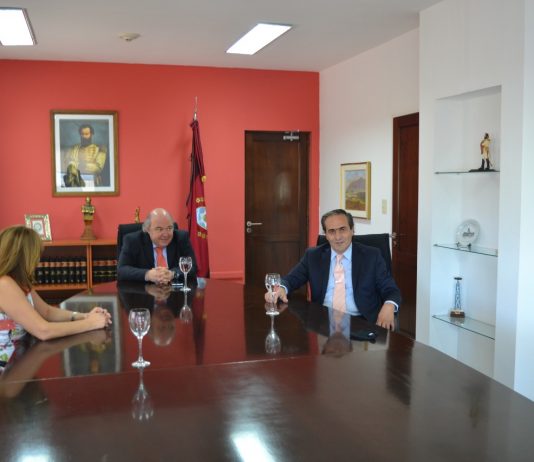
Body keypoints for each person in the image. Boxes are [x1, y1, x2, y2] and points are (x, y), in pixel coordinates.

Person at [265, 209, 401, 330]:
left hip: (362, 323)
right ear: (325, 234)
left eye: (342, 229)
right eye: (331, 231)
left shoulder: (372, 256)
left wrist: (389, 305)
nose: (338, 237)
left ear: (352, 230)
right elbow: (291, 279)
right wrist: (281, 288)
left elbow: (391, 290)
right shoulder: (313, 256)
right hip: (323, 322)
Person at [0, 226, 112, 343]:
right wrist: (90, 323)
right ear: (24, 256)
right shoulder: (4, 284)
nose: (38, 260)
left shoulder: (20, 281)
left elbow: (47, 312)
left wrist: (85, 316)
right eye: (36, 254)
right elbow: (43, 331)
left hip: (22, 348)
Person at [117, 208, 198, 285]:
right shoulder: (133, 241)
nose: (165, 234)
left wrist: (172, 274)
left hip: (174, 292)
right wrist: (148, 274)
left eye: (169, 228)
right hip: (143, 292)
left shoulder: (181, 238)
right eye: (159, 229)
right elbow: (122, 270)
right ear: (148, 229)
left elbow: (193, 267)